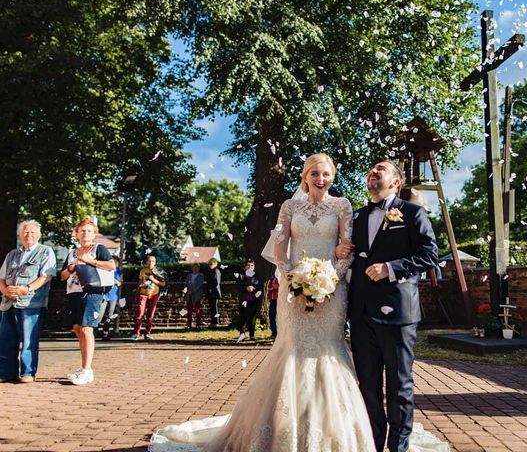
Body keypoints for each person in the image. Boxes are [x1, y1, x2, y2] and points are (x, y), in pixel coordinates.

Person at [150, 153, 447, 451]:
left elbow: (356, 253)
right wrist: (295, 283)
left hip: (361, 302)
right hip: (318, 299)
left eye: (326, 174)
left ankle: (392, 446)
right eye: (314, 173)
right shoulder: (325, 210)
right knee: (362, 381)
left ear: (395, 181)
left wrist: (329, 281)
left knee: (395, 382)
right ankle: (350, 437)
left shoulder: (374, 210)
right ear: (304, 177)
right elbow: (290, 252)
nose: (321, 179)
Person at [343, 159, 440, 452]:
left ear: (396, 182)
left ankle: (398, 447)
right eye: (370, 169)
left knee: (399, 387)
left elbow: (430, 254)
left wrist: (391, 267)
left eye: (380, 169)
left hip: (398, 313)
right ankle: (373, 443)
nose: (373, 172)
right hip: (361, 315)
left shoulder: (412, 213)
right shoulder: (357, 218)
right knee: (369, 387)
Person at [0, 220, 56, 383]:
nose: (28, 235)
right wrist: (4, 290)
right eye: (25, 232)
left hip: (31, 303)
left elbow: (46, 276)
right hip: (8, 303)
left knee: (29, 340)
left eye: (32, 232)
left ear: (39, 235)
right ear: (20, 235)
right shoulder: (12, 254)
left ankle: (27, 373)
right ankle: (6, 372)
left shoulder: (45, 251)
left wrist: (27, 288)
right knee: (5, 339)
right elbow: (1, 277)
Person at [61, 219, 115, 385]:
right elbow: (62, 276)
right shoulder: (72, 252)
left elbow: (111, 265)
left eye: (89, 231)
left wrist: (89, 261)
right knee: (78, 328)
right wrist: (71, 268)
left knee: (86, 328)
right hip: (74, 292)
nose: (85, 234)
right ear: (76, 233)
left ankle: (87, 370)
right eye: (82, 231)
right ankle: (84, 368)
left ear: (94, 233)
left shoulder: (99, 248)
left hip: (92, 292)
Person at [132, 254, 166, 341]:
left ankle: (147, 333)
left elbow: (163, 283)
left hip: (154, 294)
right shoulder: (143, 271)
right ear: (146, 261)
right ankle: (136, 333)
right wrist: (138, 291)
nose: (151, 262)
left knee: (150, 315)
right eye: (149, 261)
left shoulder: (159, 271)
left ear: (155, 262)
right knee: (140, 314)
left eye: (153, 261)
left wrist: (153, 279)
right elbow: (140, 282)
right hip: (143, 294)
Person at [236, 259, 263, 341]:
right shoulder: (241, 276)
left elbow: (261, 287)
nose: (250, 267)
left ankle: (252, 335)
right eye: (248, 265)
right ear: (245, 267)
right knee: (243, 318)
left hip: (253, 300)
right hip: (243, 300)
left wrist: (254, 288)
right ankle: (242, 334)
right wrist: (246, 288)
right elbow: (237, 287)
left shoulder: (257, 276)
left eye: (252, 265)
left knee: (252, 318)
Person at [99, 255, 122, 340]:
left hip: (113, 296)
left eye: (116, 262)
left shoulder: (119, 271)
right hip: (104, 295)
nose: (114, 263)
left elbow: (120, 282)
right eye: (113, 261)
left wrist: (116, 281)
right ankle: (94, 332)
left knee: (110, 315)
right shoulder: (105, 270)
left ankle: (105, 333)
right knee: (100, 314)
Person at [185, 263, 205, 329]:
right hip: (189, 295)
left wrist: (192, 291)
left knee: (197, 310)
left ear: (199, 268)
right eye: (194, 267)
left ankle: (198, 324)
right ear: (192, 268)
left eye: (197, 267)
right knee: (189, 310)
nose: (195, 268)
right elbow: (186, 284)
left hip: (197, 295)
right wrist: (187, 291)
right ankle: (189, 324)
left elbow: (199, 285)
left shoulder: (201, 275)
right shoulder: (189, 275)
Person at [203, 258, 222, 326]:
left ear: (215, 264)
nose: (210, 265)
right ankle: (213, 322)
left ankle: (216, 322)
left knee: (214, 307)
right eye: (209, 264)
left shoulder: (216, 271)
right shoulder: (211, 271)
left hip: (214, 292)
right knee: (212, 307)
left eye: (211, 264)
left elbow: (216, 282)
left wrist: (211, 288)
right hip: (211, 292)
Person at [266, 272, 279, 338]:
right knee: (271, 315)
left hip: (279, 299)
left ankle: (279, 333)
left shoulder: (281, 276)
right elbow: (268, 286)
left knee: (279, 317)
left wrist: (274, 287)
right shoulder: (272, 276)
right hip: (272, 299)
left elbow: (277, 286)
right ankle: (274, 333)